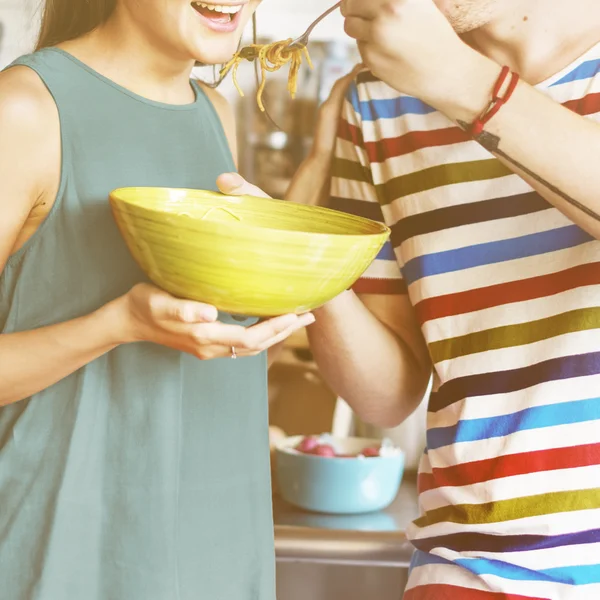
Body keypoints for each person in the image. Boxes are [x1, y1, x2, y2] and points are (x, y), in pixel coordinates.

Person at [218, 0, 600, 598]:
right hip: (470, 566)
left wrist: (456, 79)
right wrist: (312, 262)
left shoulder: (435, 70)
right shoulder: (377, 98)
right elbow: (388, 392)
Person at [0, 1, 319, 599]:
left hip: (215, 542)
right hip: (66, 553)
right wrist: (117, 324)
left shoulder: (215, 115)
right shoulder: (23, 110)